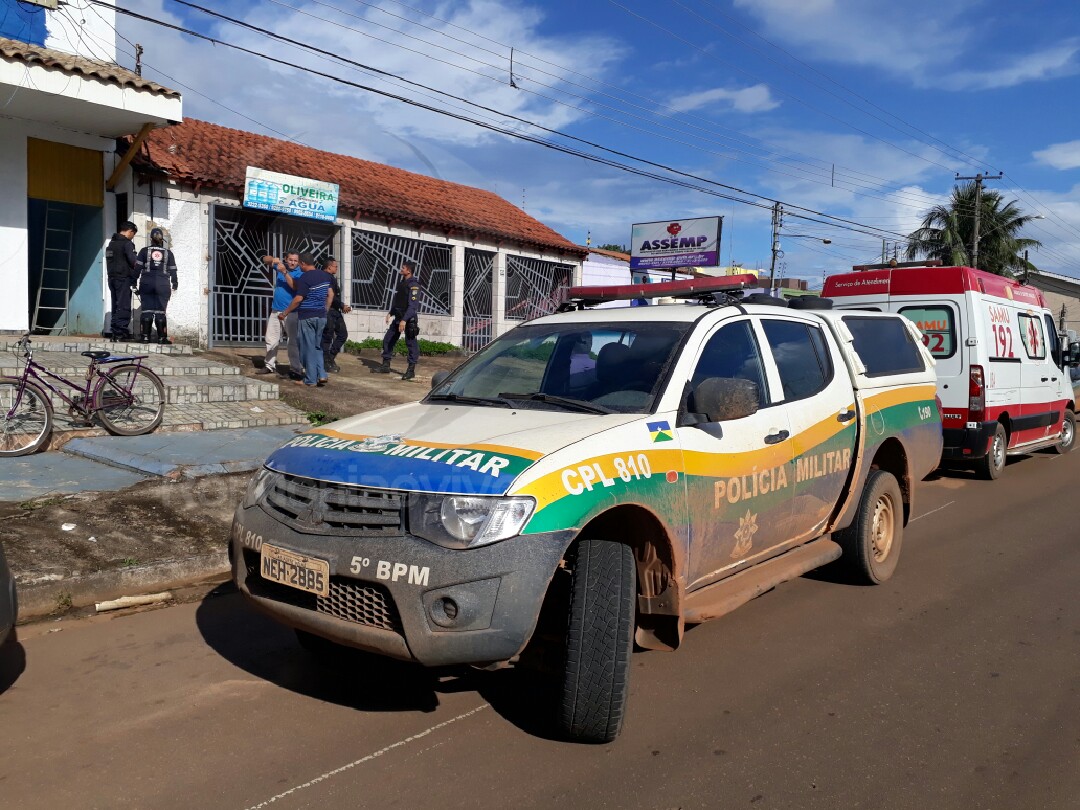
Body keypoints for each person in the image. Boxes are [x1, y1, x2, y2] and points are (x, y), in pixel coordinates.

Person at [278, 253, 334, 387]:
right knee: (317, 347)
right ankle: (322, 375)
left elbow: (298, 299)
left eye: (299, 263)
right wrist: (325, 310)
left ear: (303, 263)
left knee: (307, 349)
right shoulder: (325, 276)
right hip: (321, 317)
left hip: (307, 317)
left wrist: (285, 313)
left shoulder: (305, 277)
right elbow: (330, 294)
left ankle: (310, 379)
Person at [259, 251, 303, 377]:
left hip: (291, 312)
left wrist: (284, 272)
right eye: (290, 260)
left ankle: (295, 368)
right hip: (275, 310)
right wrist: (273, 259)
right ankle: (269, 365)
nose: (293, 262)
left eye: (295, 260)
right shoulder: (280, 266)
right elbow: (264, 259)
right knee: (271, 339)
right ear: (286, 259)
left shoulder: (300, 272)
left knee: (292, 341)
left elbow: (295, 287)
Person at [135, 227, 179, 345]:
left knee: (147, 311)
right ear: (162, 240)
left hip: (146, 284)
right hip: (163, 285)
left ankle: (145, 337)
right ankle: (162, 338)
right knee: (160, 312)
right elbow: (173, 270)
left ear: (151, 239)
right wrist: (175, 283)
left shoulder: (144, 251)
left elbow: (137, 268)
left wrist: (133, 282)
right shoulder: (168, 253)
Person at [379, 260, 421, 381]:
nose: (401, 269)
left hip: (408, 319)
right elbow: (399, 301)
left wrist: (404, 320)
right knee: (388, 339)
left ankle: (411, 370)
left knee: (411, 344)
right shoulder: (402, 283)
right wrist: (390, 313)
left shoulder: (414, 285)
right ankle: (385, 365)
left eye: (403, 267)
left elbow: (413, 306)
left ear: (409, 270)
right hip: (398, 317)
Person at [105, 221, 139, 341]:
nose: (133, 236)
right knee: (123, 305)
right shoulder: (127, 244)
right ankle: (121, 332)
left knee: (115, 305)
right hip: (123, 278)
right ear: (130, 231)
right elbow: (134, 261)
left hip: (112, 278)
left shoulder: (111, 244)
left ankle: (115, 332)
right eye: (133, 234)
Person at [321, 258, 350, 373]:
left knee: (343, 334)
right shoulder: (325, 277)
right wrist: (342, 305)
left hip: (335, 311)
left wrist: (341, 306)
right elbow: (330, 296)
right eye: (335, 266)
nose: (336, 268)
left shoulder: (331, 278)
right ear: (329, 267)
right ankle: (326, 362)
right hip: (329, 310)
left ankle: (330, 358)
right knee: (327, 337)